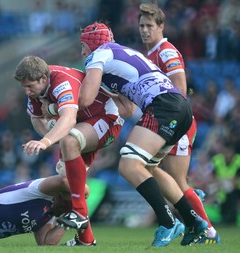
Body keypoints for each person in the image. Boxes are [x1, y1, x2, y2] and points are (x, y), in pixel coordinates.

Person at [77, 22, 208, 247]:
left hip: (162, 106)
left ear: (91, 43)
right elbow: (128, 110)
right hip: (181, 107)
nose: (82, 52)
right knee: (148, 169)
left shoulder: (98, 55)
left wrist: (62, 108)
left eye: (83, 45)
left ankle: (168, 223)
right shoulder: (121, 53)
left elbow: (84, 100)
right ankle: (194, 223)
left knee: (128, 165)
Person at [14, 56, 124, 246]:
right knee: (67, 179)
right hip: (84, 124)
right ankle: (86, 240)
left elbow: (69, 119)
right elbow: (36, 118)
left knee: (69, 140)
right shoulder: (35, 91)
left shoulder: (62, 81)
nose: (26, 91)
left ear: (43, 78)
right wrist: (51, 136)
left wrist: (46, 140)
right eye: (24, 86)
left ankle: (79, 212)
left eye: (30, 86)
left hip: (107, 117)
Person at [138, 3, 220, 244]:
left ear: (161, 26)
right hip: (168, 121)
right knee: (152, 170)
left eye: (149, 26)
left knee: (170, 178)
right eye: (141, 25)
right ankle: (195, 202)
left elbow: (181, 89)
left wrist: (169, 120)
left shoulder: (166, 51)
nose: (144, 30)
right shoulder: (150, 54)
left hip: (177, 121)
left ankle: (208, 231)